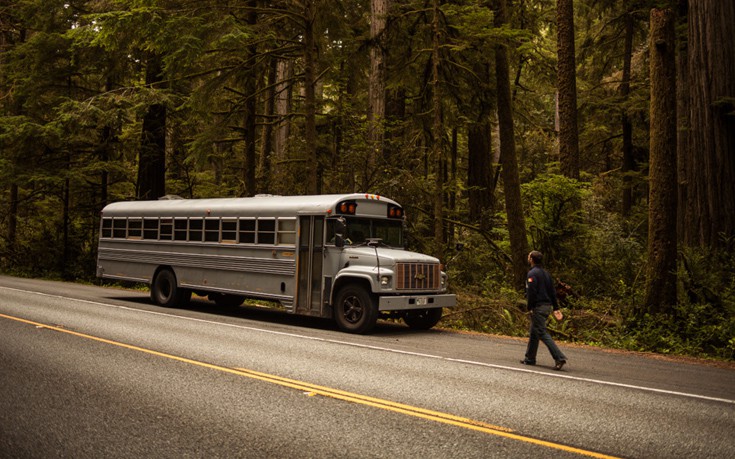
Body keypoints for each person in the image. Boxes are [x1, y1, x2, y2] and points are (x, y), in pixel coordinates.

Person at [520, 251, 568, 370]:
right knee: (534, 331)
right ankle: (530, 358)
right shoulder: (546, 274)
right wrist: (556, 307)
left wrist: (529, 307)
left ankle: (559, 357)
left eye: (528, 256)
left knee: (541, 332)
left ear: (531, 259)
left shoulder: (532, 274)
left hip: (539, 306)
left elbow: (531, 292)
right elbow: (552, 292)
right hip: (547, 306)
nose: (528, 258)